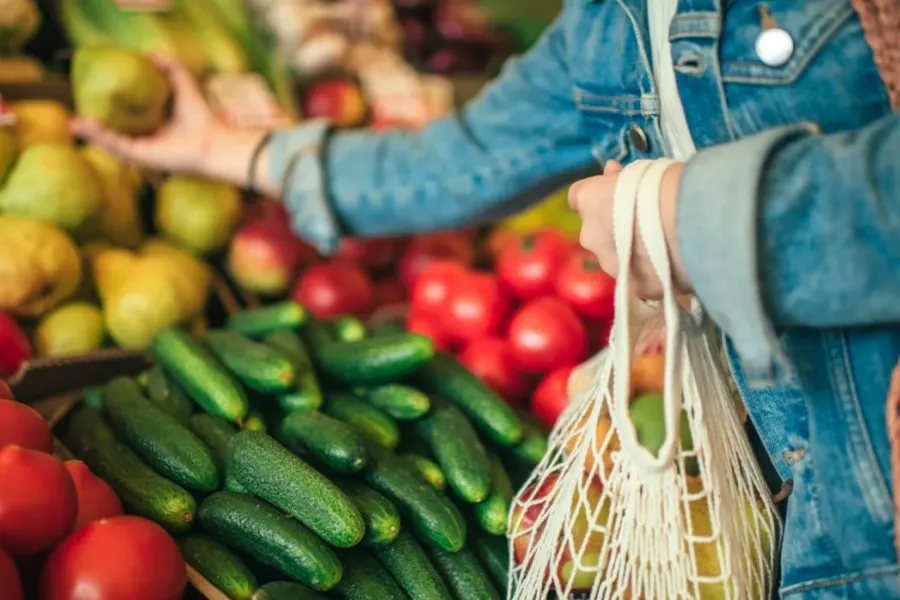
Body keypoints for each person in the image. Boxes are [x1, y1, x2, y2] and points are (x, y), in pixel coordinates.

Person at [73, 2, 900, 597]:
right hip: (795, 521)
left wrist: (697, 220)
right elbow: (454, 163)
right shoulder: (607, 24)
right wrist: (215, 145)